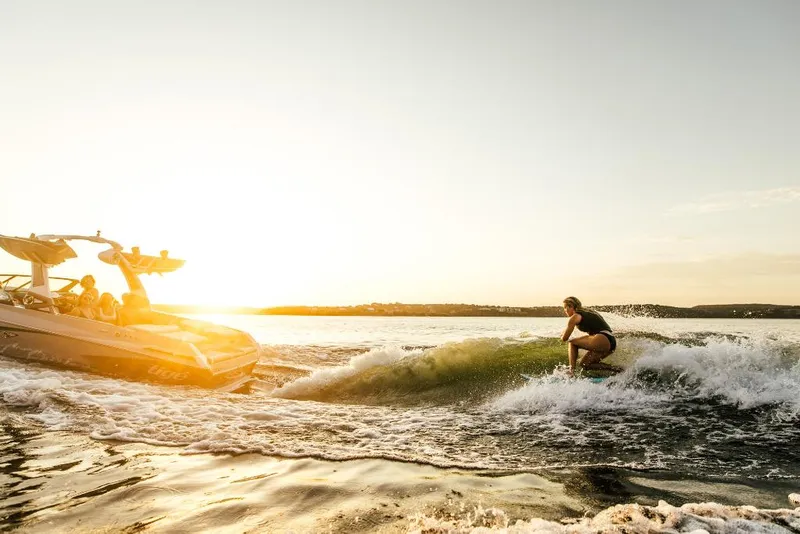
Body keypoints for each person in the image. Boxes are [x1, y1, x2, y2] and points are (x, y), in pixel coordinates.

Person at [560, 296, 622, 376]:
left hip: (602, 337)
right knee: (585, 364)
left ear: (571, 306)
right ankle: (618, 370)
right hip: (611, 341)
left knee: (572, 343)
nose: (565, 310)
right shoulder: (589, 312)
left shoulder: (575, 316)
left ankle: (571, 371)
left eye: (565, 308)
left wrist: (562, 335)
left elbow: (565, 338)